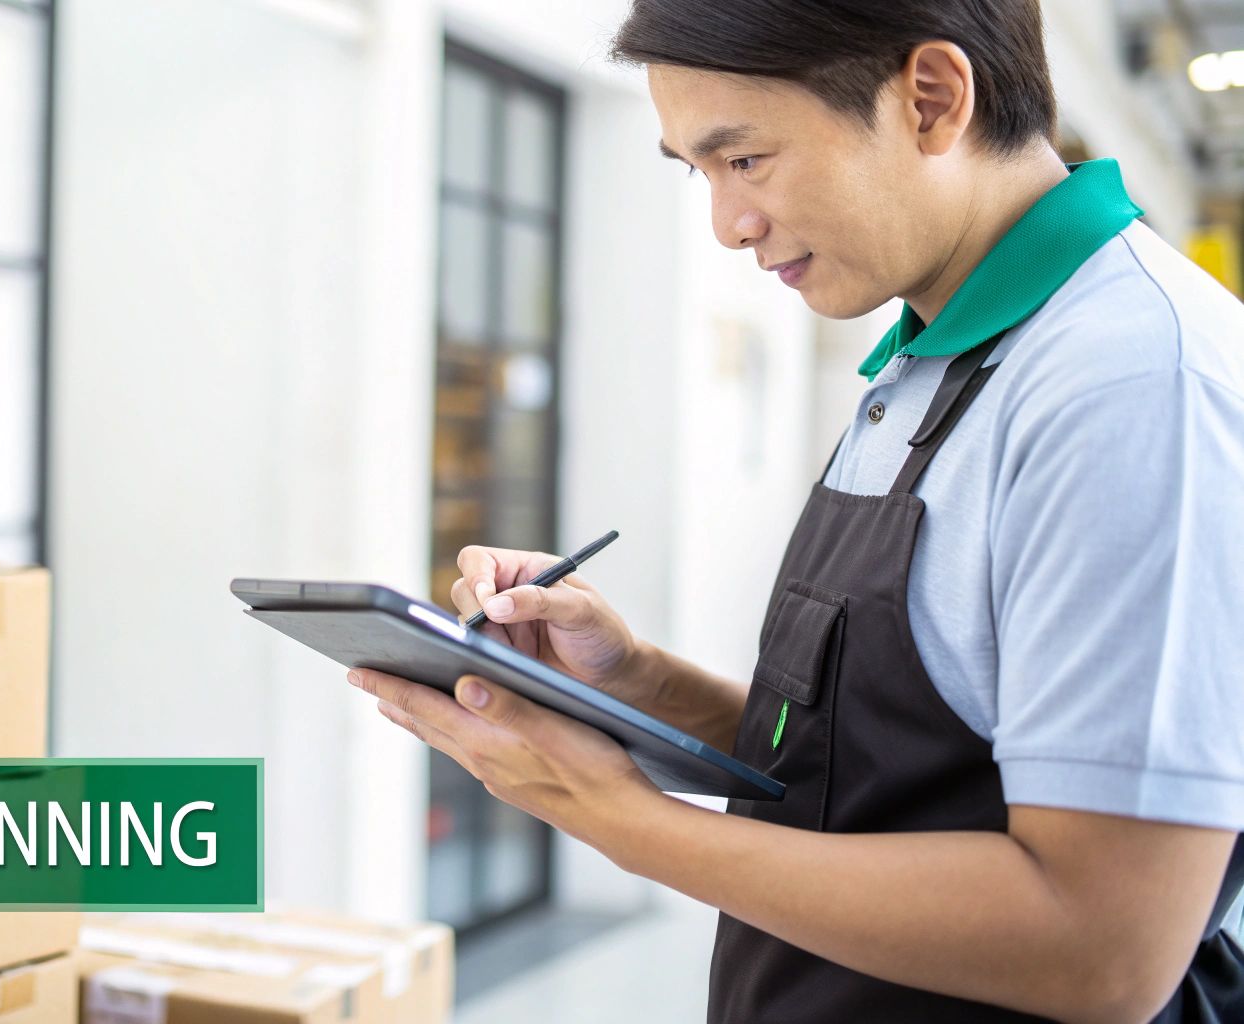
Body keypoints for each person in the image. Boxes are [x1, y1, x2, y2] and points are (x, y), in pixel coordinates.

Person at [348, 1, 1244, 1020]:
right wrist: (634, 681)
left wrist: (608, 814)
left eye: (745, 160)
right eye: (698, 172)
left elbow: (1101, 947)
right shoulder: (934, 360)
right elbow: (888, 773)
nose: (728, 224)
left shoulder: (1130, 385)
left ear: (930, 99)